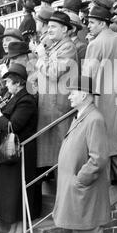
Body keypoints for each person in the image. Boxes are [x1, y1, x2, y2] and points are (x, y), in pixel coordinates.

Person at [53, 75, 110, 233]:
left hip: (86, 187)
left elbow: (98, 157)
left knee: (89, 229)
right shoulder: (81, 116)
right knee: (80, 227)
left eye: (72, 92)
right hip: (79, 186)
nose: (69, 96)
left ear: (84, 94)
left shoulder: (94, 118)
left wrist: (80, 179)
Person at [82, 5, 117, 184]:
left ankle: (108, 177)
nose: (89, 26)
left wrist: (82, 97)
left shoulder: (95, 44)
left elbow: (87, 75)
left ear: (101, 23)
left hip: (105, 95)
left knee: (106, 134)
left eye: (91, 23)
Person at [0, 64, 39, 233]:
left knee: (20, 191)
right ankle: (13, 228)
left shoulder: (26, 100)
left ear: (18, 83)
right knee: (11, 192)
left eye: (9, 82)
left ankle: (20, 231)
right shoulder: (13, 97)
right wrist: (0, 110)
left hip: (21, 151)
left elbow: (13, 126)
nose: (6, 86)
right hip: (10, 150)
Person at [36, 11, 77, 172]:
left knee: (62, 154)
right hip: (50, 105)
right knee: (54, 155)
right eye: (48, 26)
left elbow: (53, 73)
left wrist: (41, 56)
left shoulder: (68, 47)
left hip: (59, 106)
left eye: (54, 27)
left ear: (65, 30)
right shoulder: (55, 46)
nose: (49, 30)